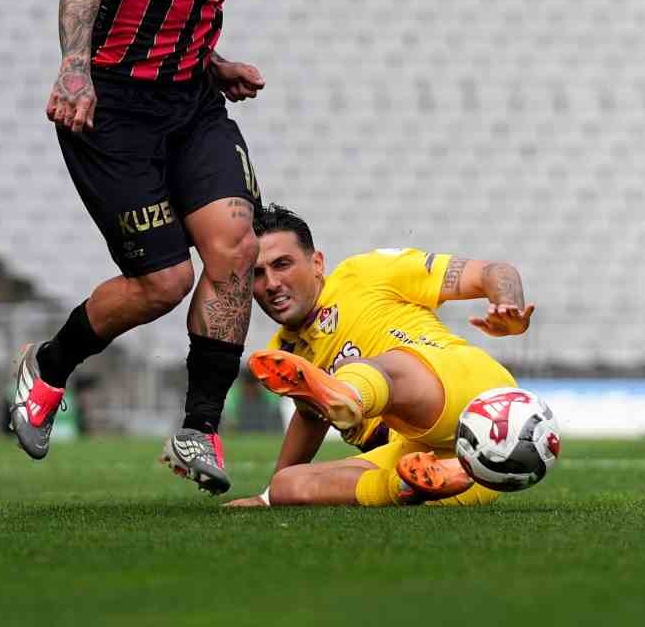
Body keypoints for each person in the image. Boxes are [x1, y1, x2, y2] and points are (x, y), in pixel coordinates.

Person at [9, 0, 296, 494]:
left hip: (191, 103)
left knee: (235, 245)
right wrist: (74, 66)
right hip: (113, 110)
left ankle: (200, 429)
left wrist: (212, 61)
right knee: (165, 280)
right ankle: (49, 366)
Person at [224, 204, 535, 508]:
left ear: (317, 263)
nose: (272, 284)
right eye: (258, 274)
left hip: (471, 396)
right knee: (288, 485)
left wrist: (508, 305)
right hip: (469, 469)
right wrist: (268, 496)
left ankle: (351, 393)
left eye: (282, 264)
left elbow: (495, 272)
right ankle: (404, 485)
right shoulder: (285, 350)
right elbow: (309, 419)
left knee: (375, 367)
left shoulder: (365, 272)